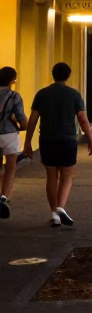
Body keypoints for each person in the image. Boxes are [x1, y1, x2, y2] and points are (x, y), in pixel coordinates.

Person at [22, 62, 92, 227]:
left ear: (52, 74)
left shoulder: (42, 94)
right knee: (66, 176)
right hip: (68, 139)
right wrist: (90, 139)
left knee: (51, 176)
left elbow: (33, 120)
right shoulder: (74, 95)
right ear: (68, 75)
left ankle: (54, 213)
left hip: (47, 139)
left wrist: (27, 142)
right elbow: (83, 120)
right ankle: (60, 208)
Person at [0, 66, 27, 219]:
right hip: (9, 134)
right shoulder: (14, 96)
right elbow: (21, 117)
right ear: (11, 81)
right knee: (10, 168)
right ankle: (3, 197)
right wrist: (23, 127)